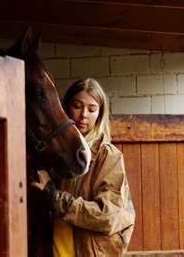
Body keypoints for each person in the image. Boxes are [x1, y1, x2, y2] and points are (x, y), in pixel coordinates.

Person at [31, 78, 135, 256]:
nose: (84, 115)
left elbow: (108, 216)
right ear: (64, 108)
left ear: (100, 114)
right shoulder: (54, 154)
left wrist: (54, 197)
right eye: (77, 106)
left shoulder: (108, 156)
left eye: (92, 109)